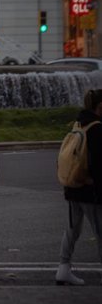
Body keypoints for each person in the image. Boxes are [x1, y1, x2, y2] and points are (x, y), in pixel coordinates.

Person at [56, 89, 102, 286]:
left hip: (73, 186)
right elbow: (99, 163)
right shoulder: (97, 129)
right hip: (90, 189)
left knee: (72, 229)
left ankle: (63, 269)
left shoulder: (78, 124)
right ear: (100, 107)